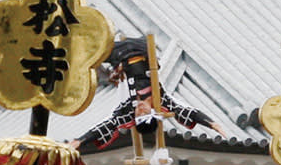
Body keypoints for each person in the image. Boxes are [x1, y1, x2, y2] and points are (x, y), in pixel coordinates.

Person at [72, 39, 215, 156]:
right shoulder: (161, 101)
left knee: (85, 48)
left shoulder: (127, 111)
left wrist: (80, 141)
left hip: (119, 55)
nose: (140, 110)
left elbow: (105, 126)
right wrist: (213, 124)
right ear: (152, 112)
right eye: (145, 112)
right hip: (142, 49)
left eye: (138, 114)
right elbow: (187, 111)